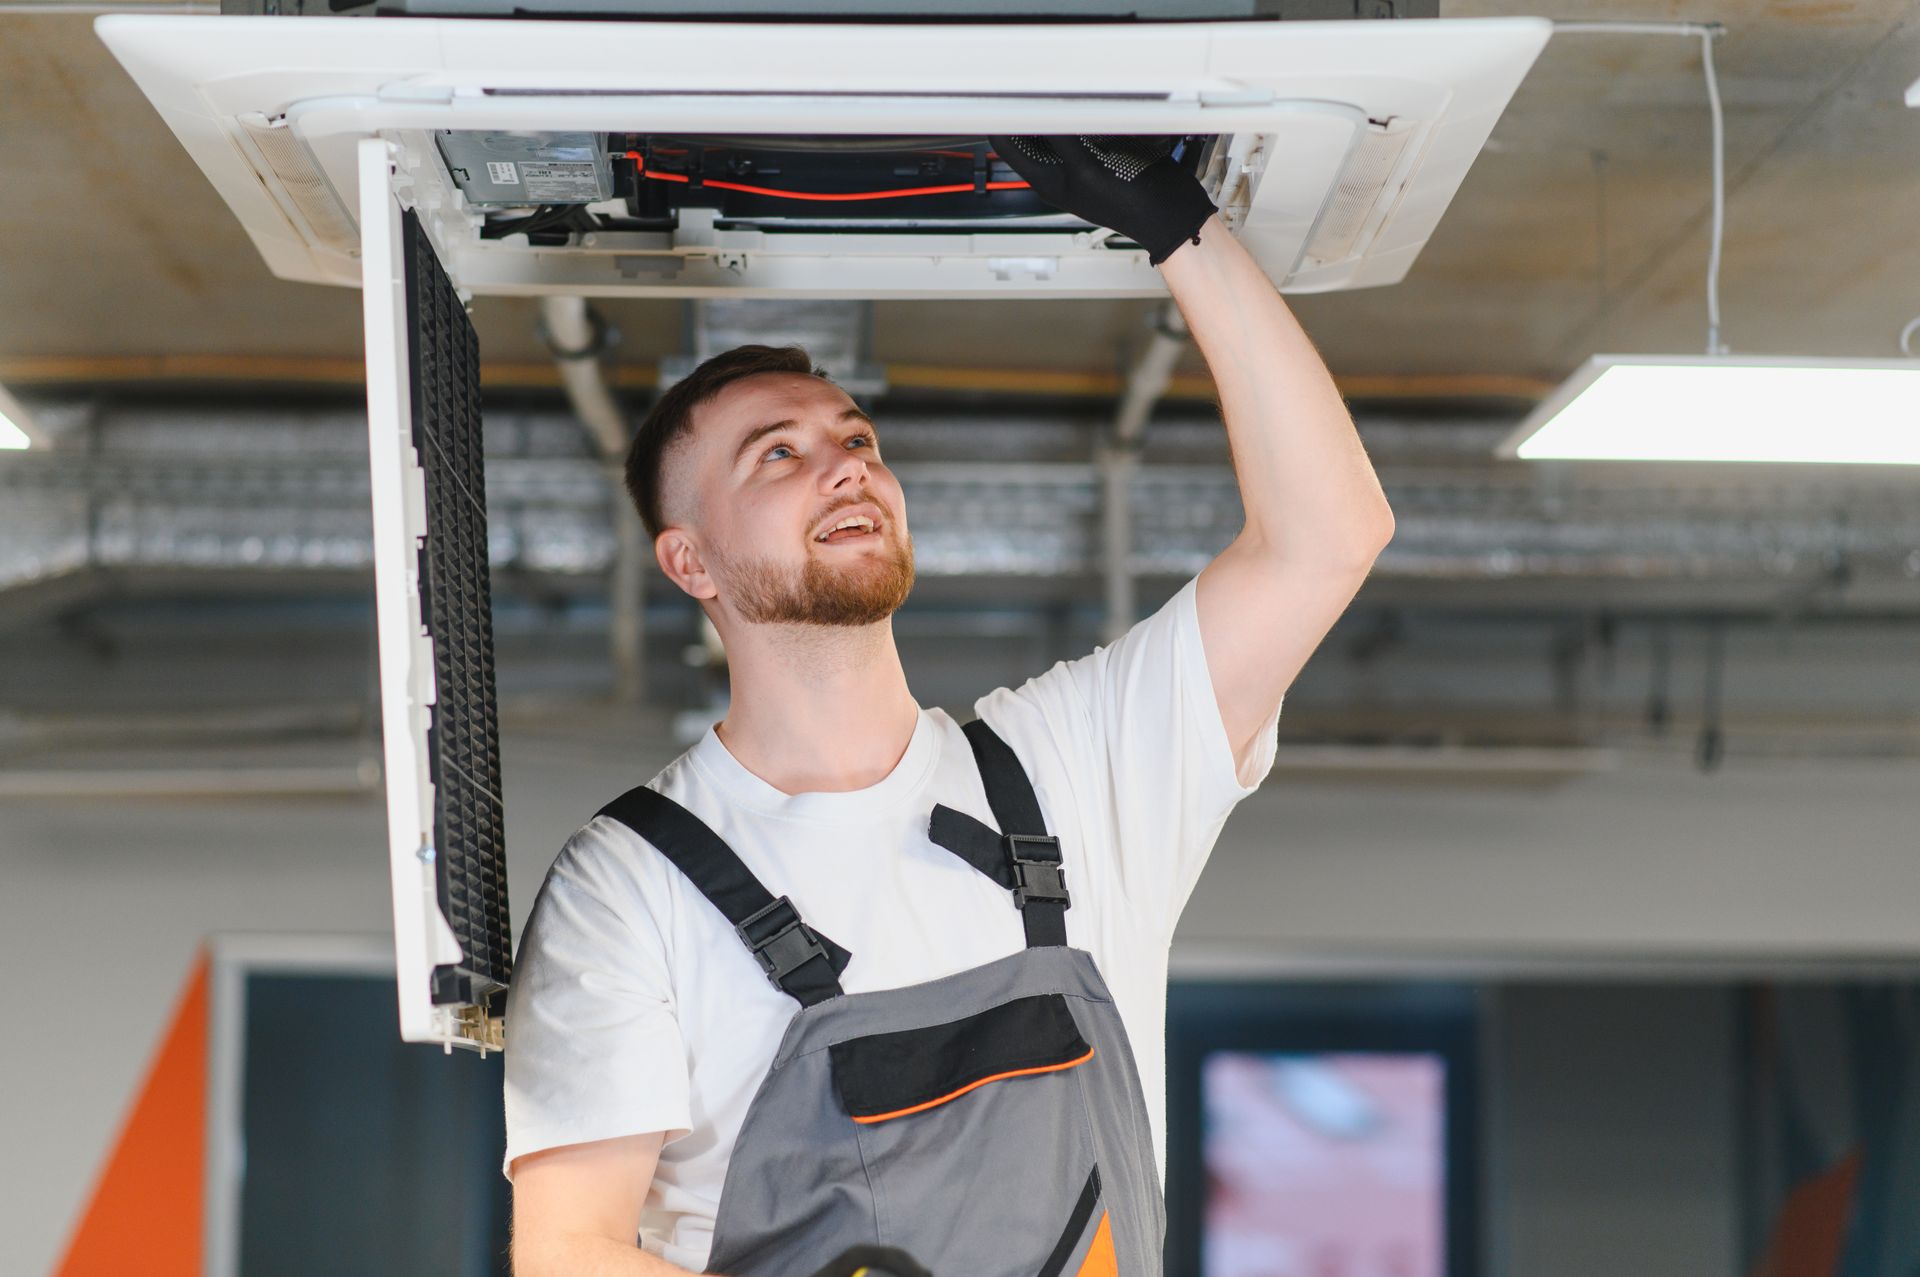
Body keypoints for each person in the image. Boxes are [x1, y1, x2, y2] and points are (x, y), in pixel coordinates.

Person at [504, 135, 1396, 1277]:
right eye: (777, 454)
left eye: (856, 439)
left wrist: (1176, 223)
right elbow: (565, 1253)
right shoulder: (633, 880)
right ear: (692, 563)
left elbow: (1330, 537)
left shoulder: (1073, 768)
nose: (843, 465)